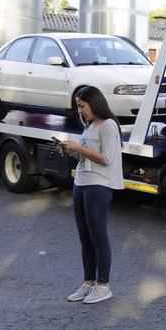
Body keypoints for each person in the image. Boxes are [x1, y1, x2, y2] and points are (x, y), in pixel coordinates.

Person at [59, 86, 123, 304]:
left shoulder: (108, 126)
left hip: (99, 185)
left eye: (82, 106)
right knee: (84, 237)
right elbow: (85, 159)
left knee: (98, 236)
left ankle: (103, 285)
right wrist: (71, 150)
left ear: (94, 103)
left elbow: (107, 158)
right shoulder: (89, 127)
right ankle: (88, 283)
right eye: (78, 107)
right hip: (81, 181)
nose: (80, 111)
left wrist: (81, 148)